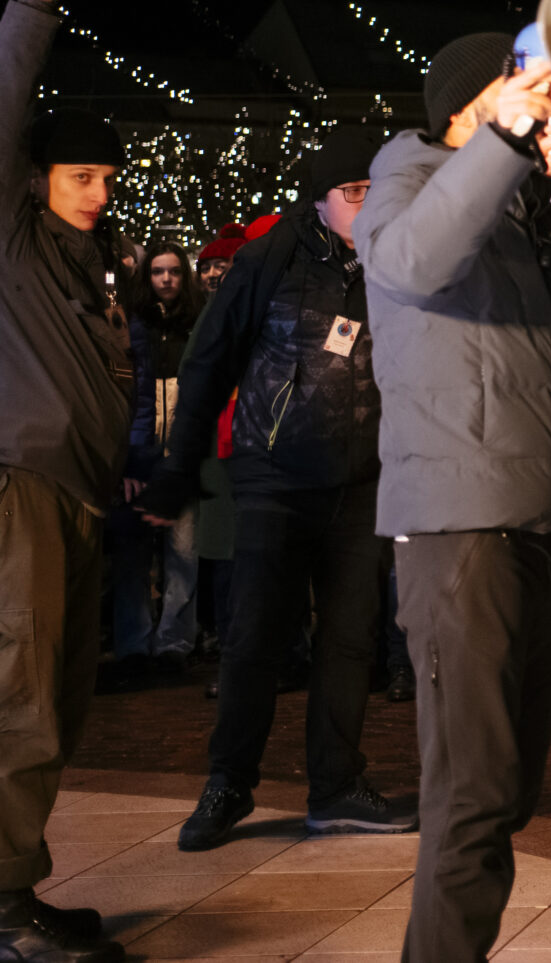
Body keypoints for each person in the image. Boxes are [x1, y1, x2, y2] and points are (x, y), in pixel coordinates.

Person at [357, 29, 551, 963]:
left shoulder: (529, 205)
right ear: (465, 106)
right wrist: (503, 141)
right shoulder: (407, 177)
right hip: (459, 522)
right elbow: (413, 262)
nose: (547, 112)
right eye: (523, 93)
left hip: (543, 514)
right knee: (473, 792)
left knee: (509, 787)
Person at [138, 126, 411, 849]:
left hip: (363, 481)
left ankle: (337, 784)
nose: (371, 202)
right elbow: (210, 361)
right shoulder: (270, 256)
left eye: (379, 189)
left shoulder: (398, 260)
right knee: (253, 637)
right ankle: (228, 780)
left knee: (352, 641)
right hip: (272, 476)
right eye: (356, 191)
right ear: (320, 200)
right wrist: (178, 469)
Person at [0, 0, 131, 963]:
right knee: (15, 695)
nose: (99, 189)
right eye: (80, 173)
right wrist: (33, 6)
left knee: (56, 702)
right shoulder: (4, 232)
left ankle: (9, 884)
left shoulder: (91, 266)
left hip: (76, 494)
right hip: (17, 482)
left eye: (108, 176)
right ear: (38, 180)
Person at [108, 242, 204, 686]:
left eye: (173, 272)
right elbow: (132, 394)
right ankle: (133, 643)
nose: (166, 279)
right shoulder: (136, 324)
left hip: (179, 455)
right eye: (158, 272)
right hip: (142, 453)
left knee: (183, 552)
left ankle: (174, 642)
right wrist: (129, 456)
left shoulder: (195, 324)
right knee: (133, 554)